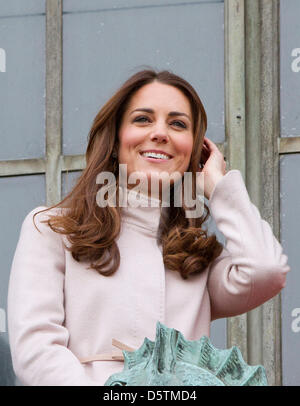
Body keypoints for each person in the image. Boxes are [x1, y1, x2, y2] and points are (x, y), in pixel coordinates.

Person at [7, 69, 290, 386]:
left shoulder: (196, 257)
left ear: (195, 153)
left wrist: (219, 186)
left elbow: (267, 271)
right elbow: (36, 353)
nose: (160, 133)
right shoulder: (53, 229)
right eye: (142, 119)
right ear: (115, 140)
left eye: (178, 124)